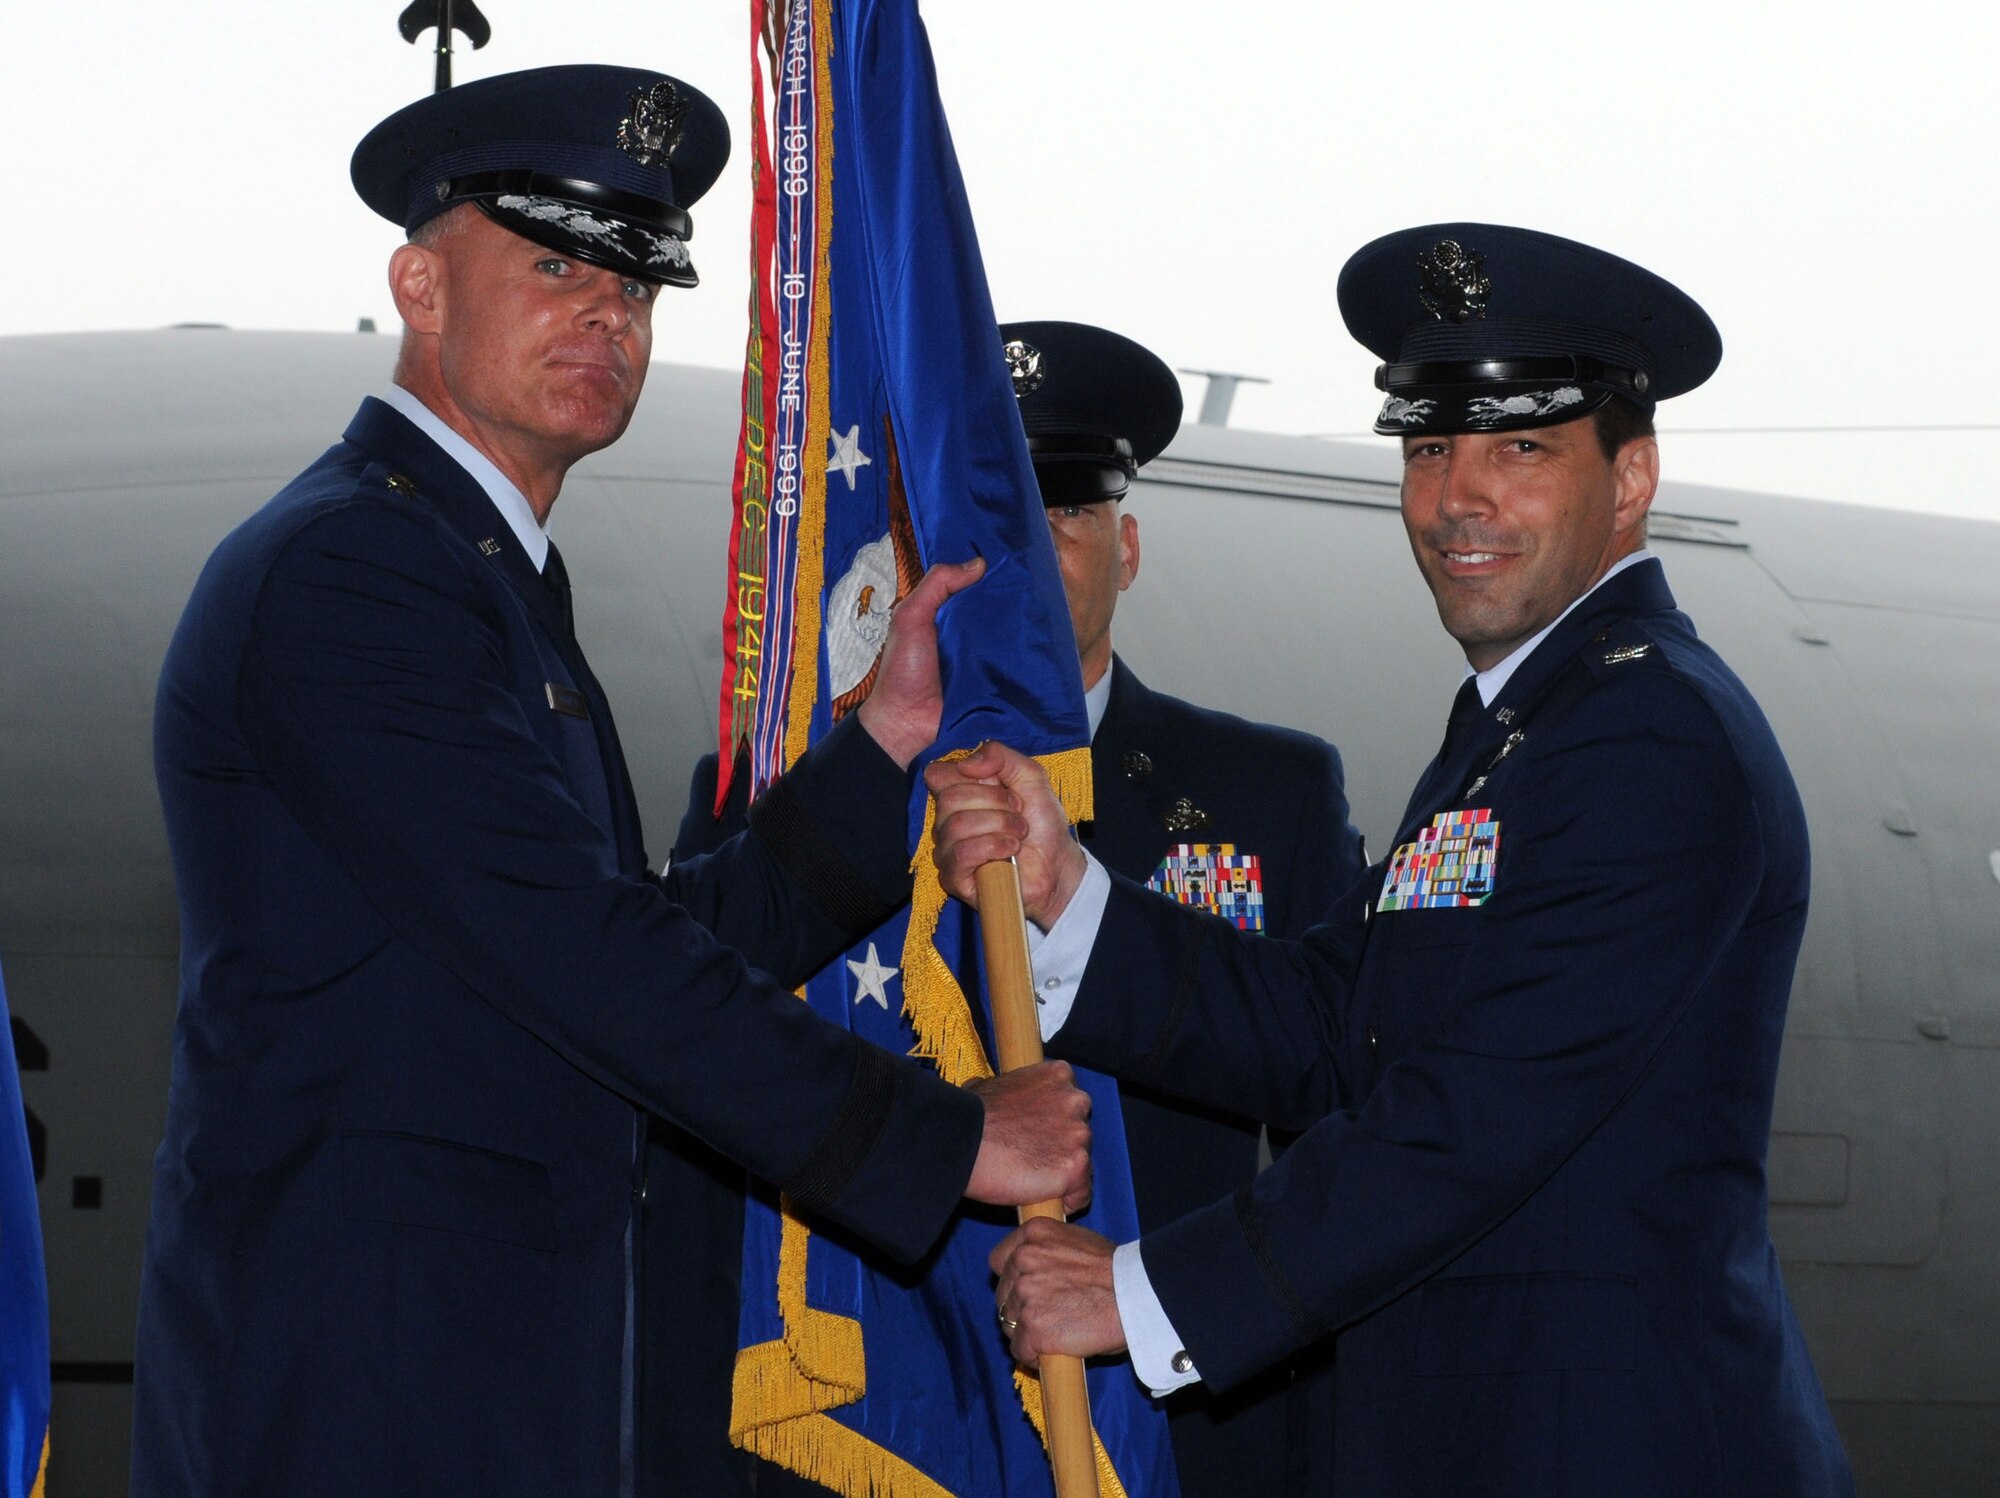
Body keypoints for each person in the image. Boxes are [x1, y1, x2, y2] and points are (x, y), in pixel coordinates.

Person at [137, 66, 1091, 1498]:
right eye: (553, 263)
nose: (607, 314)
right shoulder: (353, 573)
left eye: (639, 288)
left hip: (477, 1376)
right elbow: (586, 957)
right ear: (420, 284)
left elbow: (630, 932)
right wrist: (946, 1140)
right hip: (369, 1390)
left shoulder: (481, 574)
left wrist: (878, 748)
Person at [932, 225, 1856, 1495]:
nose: (1455, 496)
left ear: (1629, 477)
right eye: (1429, 447)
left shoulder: (1648, 732)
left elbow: (1479, 1111)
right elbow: (1339, 1019)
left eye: (1518, 447)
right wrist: (1066, 894)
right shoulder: (1522, 726)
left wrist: (1144, 1291)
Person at [673, 320, 1366, 1495]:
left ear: (1127, 546)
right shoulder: (795, 800)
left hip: (1180, 1416)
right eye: (982, 518)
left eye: (1063, 512)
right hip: (878, 1404)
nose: (1025, 552)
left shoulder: (1267, 791)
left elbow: (1341, 1114)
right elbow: (688, 1079)